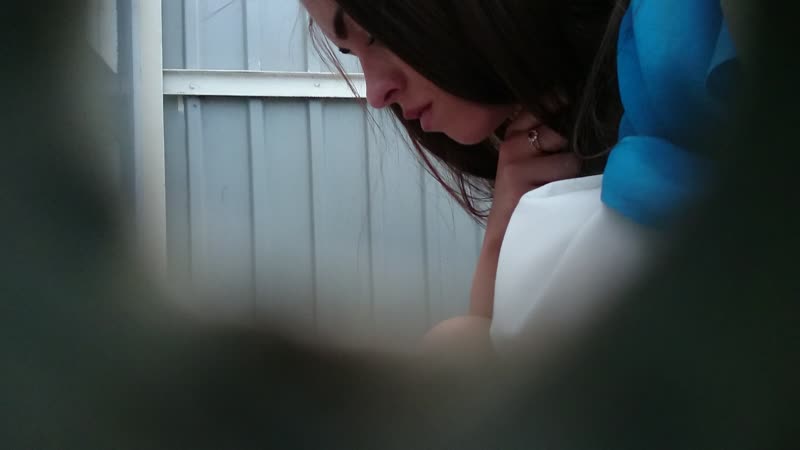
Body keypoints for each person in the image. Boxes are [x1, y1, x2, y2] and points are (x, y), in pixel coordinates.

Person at [301, 0, 739, 351]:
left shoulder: (688, 40)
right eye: (350, 53)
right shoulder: (598, 118)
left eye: (374, 34)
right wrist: (503, 248)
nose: (375, 94)